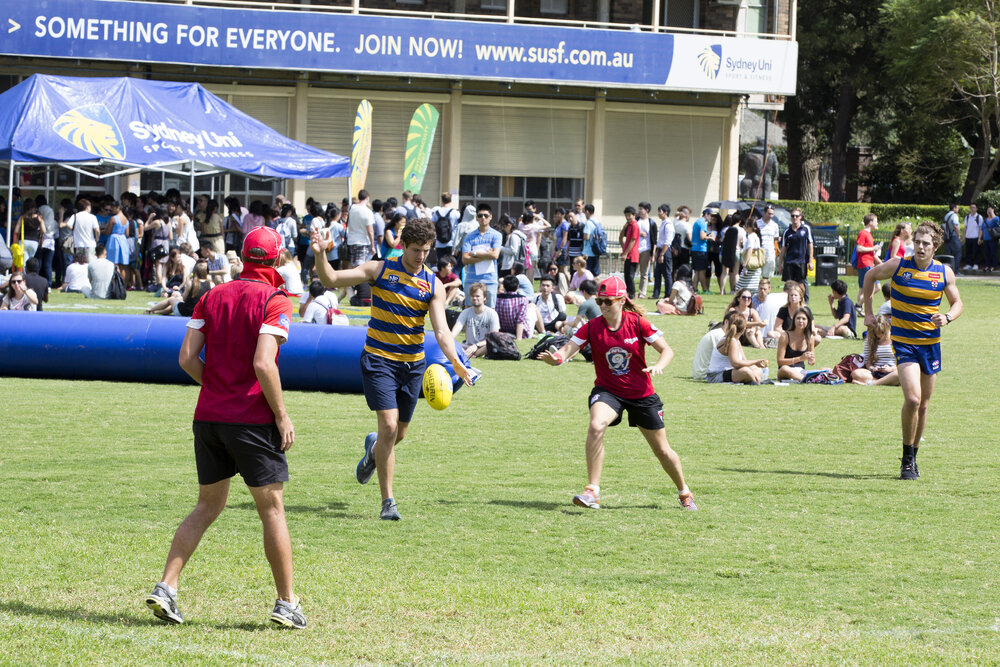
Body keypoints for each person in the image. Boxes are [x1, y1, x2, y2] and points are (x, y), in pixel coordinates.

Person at [145, 226, 306, 629]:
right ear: (277, 258)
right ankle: (287, 603)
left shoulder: (212, 295)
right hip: (251, 420)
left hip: (209, 417)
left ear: (244, 257)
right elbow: (263, 363)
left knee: (207, 506)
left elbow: (186, 358)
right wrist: (282, 415)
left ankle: (166, 587)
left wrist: (218, 387)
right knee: (272, 509)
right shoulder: (275, 299)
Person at [311, 216, 473, 520]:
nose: (421, 256)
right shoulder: (380, 269)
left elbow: (441, 331)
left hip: (412, 366)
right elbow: (331, 279)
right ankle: (388, 503)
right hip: (378, 360)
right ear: (403, 246)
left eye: (426, 250)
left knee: (398, 434)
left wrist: (456, 362)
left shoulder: (433, 284)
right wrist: (320, 254)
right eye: (415, 250)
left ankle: (373, 451)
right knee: (387, 426)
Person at [540, 276, 696, 511]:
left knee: (662, 450)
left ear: (622, 300)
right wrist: (557, 359)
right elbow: (567, 349)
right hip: (608, 391)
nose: (603, 306)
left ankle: (684, 491)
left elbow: (667, 350)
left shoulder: (638, 323)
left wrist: (659, 365)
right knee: (596, 425)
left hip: (641, 394)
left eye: (608, 301)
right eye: (600, 301)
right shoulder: (591, 326)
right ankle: (592, 491)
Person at [862, 220, 962, 480]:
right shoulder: (898, 265)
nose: (920, 247)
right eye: (917, 242)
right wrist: (868, 313)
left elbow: (957, 303)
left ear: (935, 247)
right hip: (904, 343)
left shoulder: (944, 273)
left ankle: (914, 456)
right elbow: (870, 275)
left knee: (924, 405)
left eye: (925, 243)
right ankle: (906, 458)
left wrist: (947, 317)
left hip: (931, 345)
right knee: (913, 399)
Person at [706, 313, 768, 384]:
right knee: (745, 371)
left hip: (730, 371)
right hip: (716, 376)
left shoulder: (736, 341)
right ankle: (755, 381)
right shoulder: (731, 341)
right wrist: (755, 362)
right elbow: (735, 363)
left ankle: (753, 381)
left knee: (756, 369)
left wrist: (755, 365)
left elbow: (744, 361)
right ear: (743, 330)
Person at [461, 204, 503, 308]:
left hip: (490, 279)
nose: (483, 218)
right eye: (480, 215)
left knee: (490, 310)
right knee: (469, 310)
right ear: (476, 217)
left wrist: (475, 253)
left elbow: (495, 255)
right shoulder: (469, 236)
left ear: (491, 217)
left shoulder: (496, 235)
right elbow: (465, 259)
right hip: (471, 279)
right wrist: (487, 255)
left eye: (486, 215)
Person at [451, 282, 500, 358]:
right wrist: (449, 340)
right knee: (451, 343)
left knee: (493, 344)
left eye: (477, 296)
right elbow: (456, 329)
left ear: (484, 297)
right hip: (467, 346)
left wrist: (476, 345)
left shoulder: (492, 313)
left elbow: (494, 337)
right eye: (472, 296)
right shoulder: (465, 312)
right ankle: (468, 354)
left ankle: (472, 355)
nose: (474, 298)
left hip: (484, 346)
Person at [851, 314, 899, 386]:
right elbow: (868, 362)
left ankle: (874, 382)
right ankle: (886, 381)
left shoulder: (895, 339)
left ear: (887, 328)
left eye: (882, 332)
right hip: (876, 373)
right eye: (876, 333)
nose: (879, 336)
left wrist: (891, 369)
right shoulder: (869, 340)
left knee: (901, 373)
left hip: (892, 370)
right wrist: (873, 368)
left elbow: (901, 361)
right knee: (856, 373)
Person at [775, 307, 817, 382]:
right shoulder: (785, 336)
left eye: (804, 319)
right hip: (785, 370)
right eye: (798, 318)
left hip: (800, 371)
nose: (800, 321)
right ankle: (806, 380)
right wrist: (800, 358)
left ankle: (806, 379)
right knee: (785, 369)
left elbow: (812, 361)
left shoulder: (810, 337)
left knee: (825, 369)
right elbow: (780, 361)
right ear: (794, 320)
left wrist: (811, 360)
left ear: (808, 321)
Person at [779, 208, 814, 285]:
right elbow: (783, 248)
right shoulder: (787, 231)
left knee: (801, 285)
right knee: (789, 285)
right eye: (792, 216)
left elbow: (810, 244)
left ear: (800, 217)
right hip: (789, 262)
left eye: (796, 216)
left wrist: (810, 261)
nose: (794, 218)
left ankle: (805, 294)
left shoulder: (806, 229)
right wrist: (780, 264)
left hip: (801, 262)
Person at [854, 213, 881, 308]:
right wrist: (873, 248)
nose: (877, 223)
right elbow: (859, 248)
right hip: (865, 263)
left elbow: (868, 250)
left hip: (867, 263)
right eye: (876, 221)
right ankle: (859, 305)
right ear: (870, 222)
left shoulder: (868, 234)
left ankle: (859, 308)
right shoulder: (863, 233)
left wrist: (879, 260)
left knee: (863, 288)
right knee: (876, 287)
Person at [496, 274, 532, 338]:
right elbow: (520, 320)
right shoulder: (523, 299)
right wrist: (518, 339)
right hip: (521, 332)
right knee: (532, 308)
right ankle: (542, 331)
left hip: (502, 331)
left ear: (504, 287)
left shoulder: (497, 299)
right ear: (518, 286)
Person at [346, 189, 375, 267]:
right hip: (362, 242)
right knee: (360, 268)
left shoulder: (351, 208)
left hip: (351, 241)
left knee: (352, 266)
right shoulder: (368, 212)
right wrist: (372, 246)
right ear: (367, 198)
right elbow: (370, 231)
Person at [652, 204, 674, 300]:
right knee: (657, 273)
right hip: (660, 250)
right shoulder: (663, 223)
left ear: (665, 212)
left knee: (666, 274)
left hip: (665, 251)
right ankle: (656, 294)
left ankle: (668, 294)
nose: (658, 213)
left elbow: (668, 241)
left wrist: (662, 254)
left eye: (660, 211)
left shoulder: (668, 225)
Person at [619, 206, 641, 299]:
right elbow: (621, 237)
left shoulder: (635, 225)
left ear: (634, 215)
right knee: (626, 275)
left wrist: (625, 253)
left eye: (629, 215)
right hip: (628, 254)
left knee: (630, 276)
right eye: (626, 216)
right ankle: (629, 294)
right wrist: (624, 227)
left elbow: (633, 240)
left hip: (632, 255)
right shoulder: (629, 225)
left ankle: (632, 294)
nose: (627, 217)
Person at [690, 208, 711, 293]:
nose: (711, 217)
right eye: (710, 215)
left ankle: (694, 288)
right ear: (706, 214)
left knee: (697, 271)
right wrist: (710, 237)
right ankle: (705, 289)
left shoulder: (697, 222)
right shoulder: (703, 223)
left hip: (695, 249)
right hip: (700, 250)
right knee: (702, 271)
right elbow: (702, 237)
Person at [756, 205, 780, 279]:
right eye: (769, 214)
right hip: (758, 252)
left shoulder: (775, 225)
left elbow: (775, 239)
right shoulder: (757, 223)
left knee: (767, 276)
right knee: (756, 275)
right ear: (764, 212)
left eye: (772, 214)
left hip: (770, 253)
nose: (771, 216)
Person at [962, 203, 983, 271]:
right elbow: (965, 228)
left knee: (977, 251)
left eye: (974, 207)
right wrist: (964, 237)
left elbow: (980, 228)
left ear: (976, 209)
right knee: (968, 251)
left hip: (976, 237)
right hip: (968, 237)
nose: (972, 209)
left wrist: (979, 238)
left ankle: (976, 264)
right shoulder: (967, 217)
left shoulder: (979, 217)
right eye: (971, 207)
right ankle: (968, 264)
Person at [942, 203, 962, 274]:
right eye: (957, 208)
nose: (958, 209)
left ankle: (948, 272)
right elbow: (955, 226)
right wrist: (959, 235)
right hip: (953, 236)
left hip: (947, 237)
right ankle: (955, 271)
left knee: (948, 255)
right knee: (958, 254)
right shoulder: (954, 215)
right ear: (954, 208)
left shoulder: (946, 215)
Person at [981, 206, 999, 272]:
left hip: (993, 239)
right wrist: (980, 238)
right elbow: (982, 229)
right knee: (987, 253)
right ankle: (987, 266)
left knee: (994, 253)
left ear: (993, 210)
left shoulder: (996, 218)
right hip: (985, 239)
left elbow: (996, 222)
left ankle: (993, 266)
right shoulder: (985, 220)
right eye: (988, 210)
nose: (988, 211)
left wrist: (992, 213)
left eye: (990, 210)